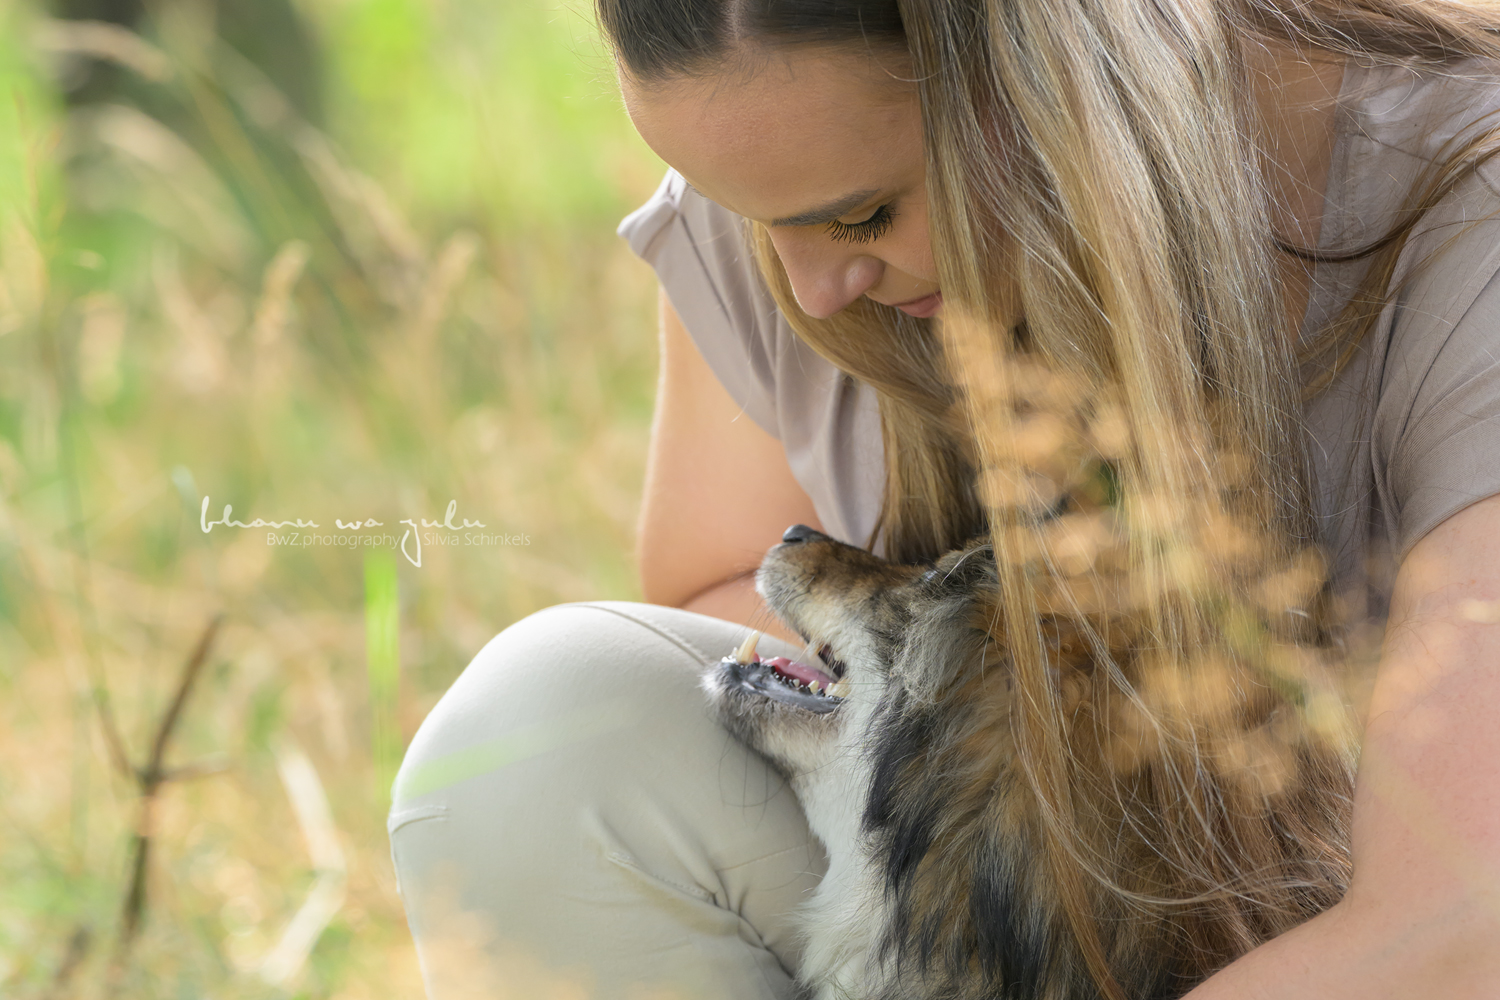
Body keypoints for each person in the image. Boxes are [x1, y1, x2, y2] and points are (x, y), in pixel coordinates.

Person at [387, 1, 1500, 997]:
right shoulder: (792, 172)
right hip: (1010, 930)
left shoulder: (1469, 212)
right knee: (549, 732)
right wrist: (1005, 729)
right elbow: (711, 581)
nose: (811, 292)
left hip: (1365, 945)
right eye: (738, 212)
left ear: (1056, 79)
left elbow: (1463, 928)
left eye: (863, 216)